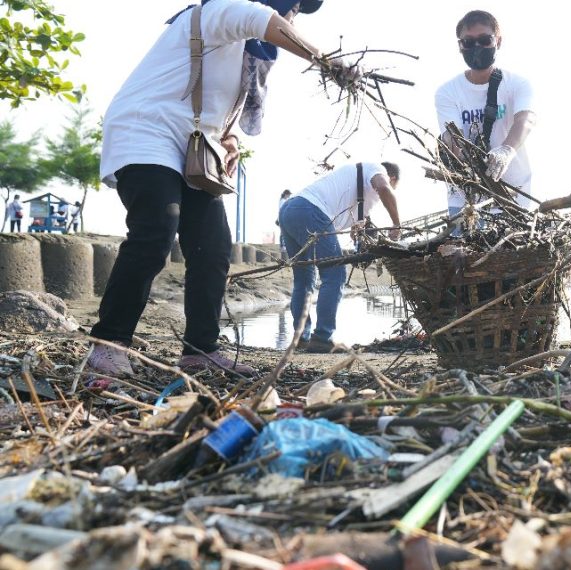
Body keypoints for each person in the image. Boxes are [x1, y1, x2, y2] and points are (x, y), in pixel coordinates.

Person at [87, 0, 357, 377]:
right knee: (155, 231)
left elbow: (208, 106)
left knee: (213, 247)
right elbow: (263, 20)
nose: (293, 15)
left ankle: (200, 350)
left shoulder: (241, 53)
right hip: (145, 131)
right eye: (292, 5)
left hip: (189, 148)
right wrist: (328, 62)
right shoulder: (221, 11)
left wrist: (226, 139)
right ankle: (109, 345)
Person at [279, 161, 400, 353]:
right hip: (310, 210)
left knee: (304, 279)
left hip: (290, 210)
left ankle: (301, 337)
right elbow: (384, 188)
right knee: (335, 274)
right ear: (392, 178)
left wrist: (357, 229)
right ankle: (322, 338)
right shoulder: (378, 171)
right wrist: (396, 224)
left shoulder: (359, 184)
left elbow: (355, 219)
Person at [435, 9, 537, 225]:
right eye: (468, 42)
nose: (477, 47)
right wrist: (469, 165)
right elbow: (451, 138)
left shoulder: (517, 85)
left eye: (485, 40)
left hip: (511, 193)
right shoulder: (447, 92)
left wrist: (506, 150)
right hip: (465, 196)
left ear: (498, 41)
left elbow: (525, 119)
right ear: (460, 46)